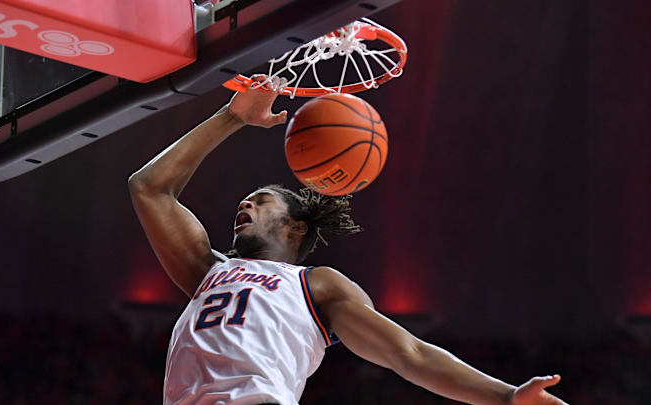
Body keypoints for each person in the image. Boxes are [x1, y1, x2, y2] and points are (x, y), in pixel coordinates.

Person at [128, 76, 568, 405]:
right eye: (245, 202)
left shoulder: (317, 285)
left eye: (260, 201)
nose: (244, 206)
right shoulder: (209, 271)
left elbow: (409, 354)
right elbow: (148, 186)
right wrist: (233, 117)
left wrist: (506, 397)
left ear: (296, 227)